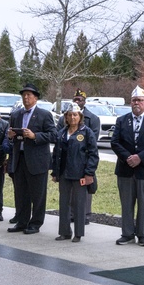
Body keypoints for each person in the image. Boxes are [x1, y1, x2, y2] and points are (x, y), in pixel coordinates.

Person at [111, 85, 144, 246]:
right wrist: (128, 157)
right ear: (130, 102)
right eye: (134, 100)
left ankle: (143, 235)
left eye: (140, 100)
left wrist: (140, 158)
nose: (136, 103)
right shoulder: (122, 120)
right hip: (125, 170)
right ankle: (127, 234)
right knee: (126, 204)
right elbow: (115, 142)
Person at [6, 84, 56, 235]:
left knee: (38, 195)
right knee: (21, 193)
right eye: (24, 95)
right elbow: (10, 136)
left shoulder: (44, 115)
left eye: (29, 95)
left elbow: (53, 135)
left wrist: (35, 136)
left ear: (36, 98)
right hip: (19, 159)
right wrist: (10, 136)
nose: (26, 98)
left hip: (37, 161)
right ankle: (22, 222)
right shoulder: (16, 115)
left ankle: (35, 223)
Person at [51, 106, 98, 242]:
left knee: (79, 203)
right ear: (66, 117)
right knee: (64, 203)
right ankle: (64, 232)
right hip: (64, 173)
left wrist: (89, 173)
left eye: (75, 115)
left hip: (80, 173)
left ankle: (78, 233)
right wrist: (55, 172)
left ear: (80, 117)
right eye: (70, 115)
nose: (73, 118)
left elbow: (93, 154)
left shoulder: (86, 132)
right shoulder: (61, 133)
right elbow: (56, 154)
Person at [58, 90, 100, 224]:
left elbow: (92, 142)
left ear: (84, 101)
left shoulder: (93, 119)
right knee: (68, 191)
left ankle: (85, 215)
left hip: (84, 161)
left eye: (80, 99)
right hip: (67, 161)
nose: (77, 101)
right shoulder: (63, 119)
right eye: (75, 99)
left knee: (85, 191)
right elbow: (59, 137)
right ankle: (70, 214)